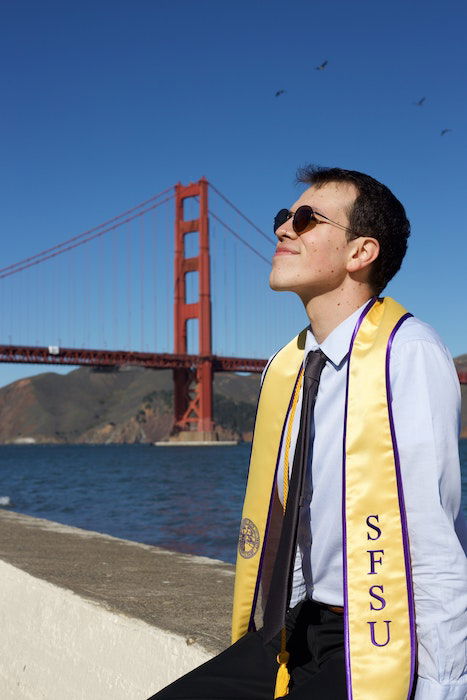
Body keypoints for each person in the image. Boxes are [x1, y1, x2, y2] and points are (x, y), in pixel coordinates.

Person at [148, 166, 466, 699]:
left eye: (304, 219)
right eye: (282, 218)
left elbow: (432, 546)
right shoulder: (292, 367)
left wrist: (441, 687)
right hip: (292, 627)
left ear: (360, 253)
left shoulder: (406, 354)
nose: (281, 230)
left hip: (372, 638)